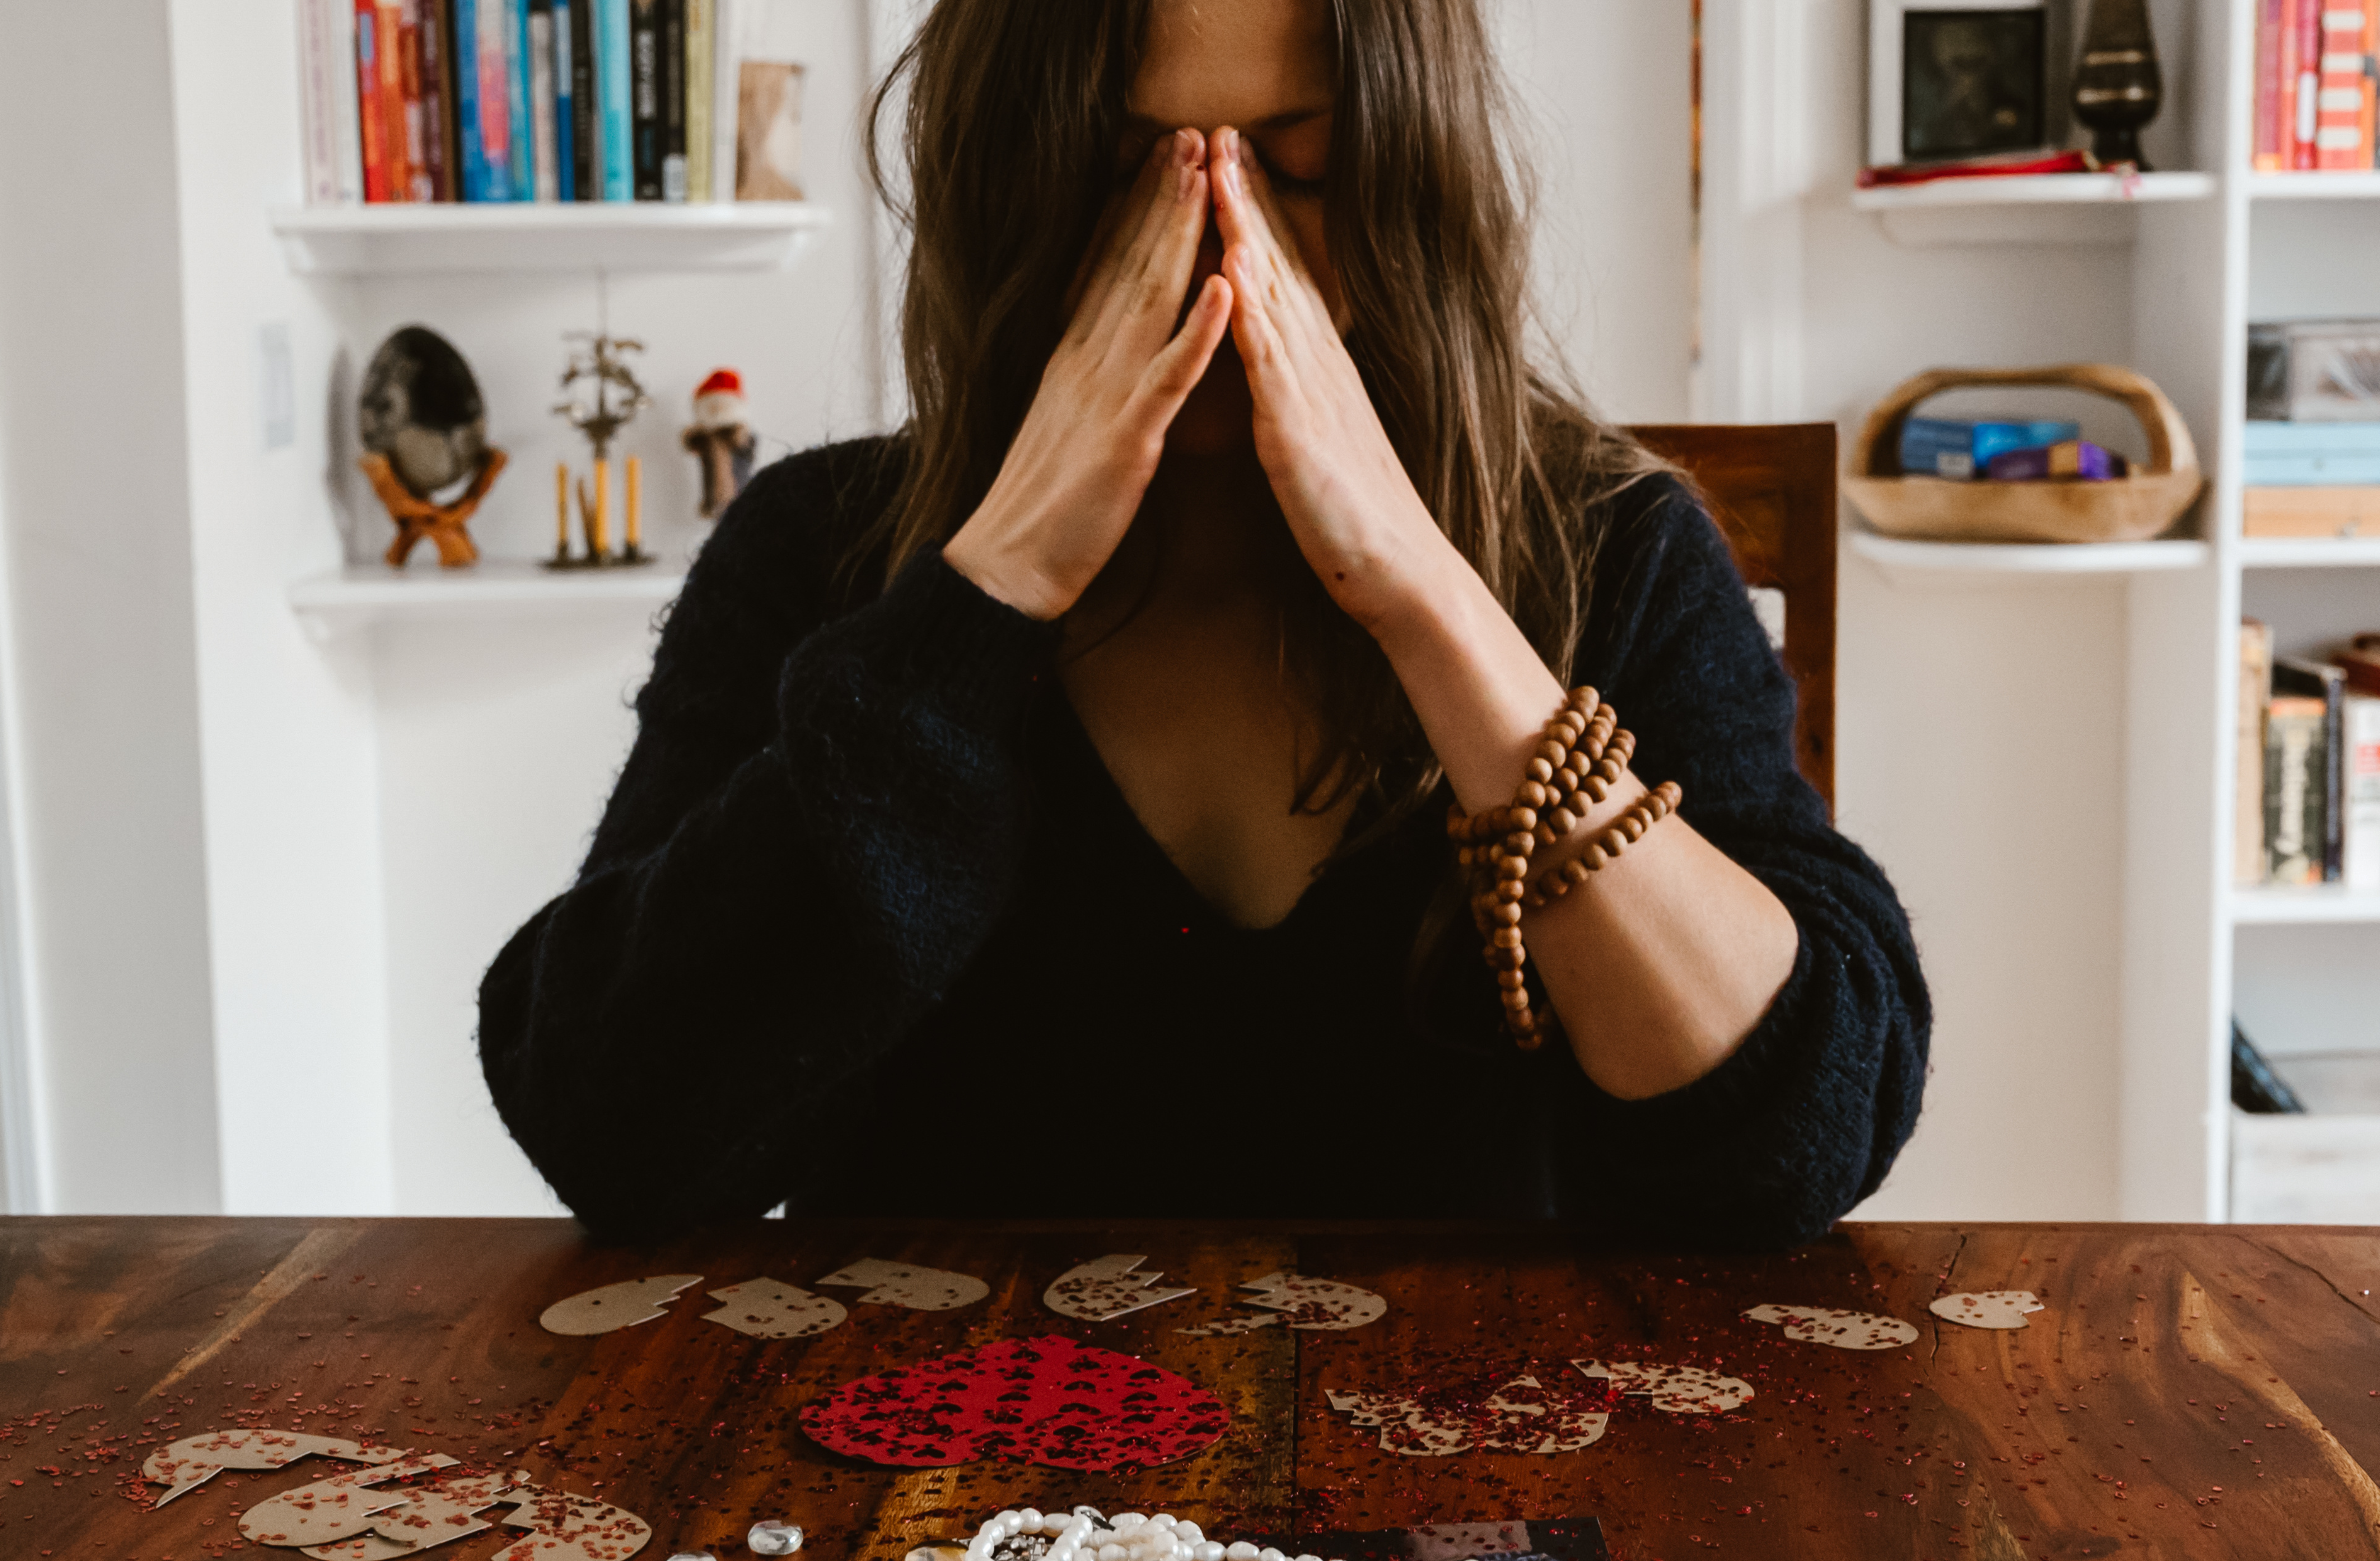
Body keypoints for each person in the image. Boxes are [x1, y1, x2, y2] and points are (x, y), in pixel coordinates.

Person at [479, 0, 1928, 1243]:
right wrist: (981, 599)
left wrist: (1429, 600)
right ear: (1007, 192)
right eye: (1131, 179)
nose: (1226, 262)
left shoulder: (1609, 549)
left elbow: (1795, 1149)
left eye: (1302, 171)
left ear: (1415, 189)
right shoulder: (820, 552)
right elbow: (614, 1131)